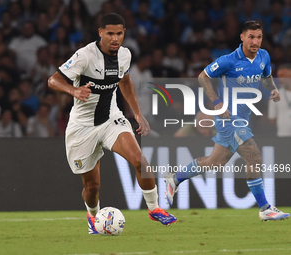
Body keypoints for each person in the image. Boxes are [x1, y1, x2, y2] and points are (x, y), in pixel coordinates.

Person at [48, 13, 176, 234]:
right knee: (92, 187)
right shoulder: (85, 56)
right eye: (110, 33)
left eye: (119, 33)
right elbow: (53, 80)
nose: (115, 38)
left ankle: (154, 209)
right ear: (100, 33)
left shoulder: (125, 55)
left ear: (124, 33)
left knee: (140, 160)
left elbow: (125, 81)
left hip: (111, 119)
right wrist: (74, 90)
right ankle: (92, 214)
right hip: (82, 127)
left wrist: (138, 113)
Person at [165, 20, 290, 221]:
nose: (255, 41)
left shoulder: (264, 56)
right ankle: (265, 208)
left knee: (215, 162)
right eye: (251, 37)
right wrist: (216, 102)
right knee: (254, 157)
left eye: (259, 37)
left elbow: (266, 76)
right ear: (242, 37)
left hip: (244, 119)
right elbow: (202, 76)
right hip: (229, 119)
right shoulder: (229, 60)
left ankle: (175, 178)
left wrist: (272, 89)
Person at [268, 63, 291, 137]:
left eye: (282, 76)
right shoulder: (275, 95)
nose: (279, 79)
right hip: (283, 136)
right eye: (278, 76)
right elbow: (272, 118)